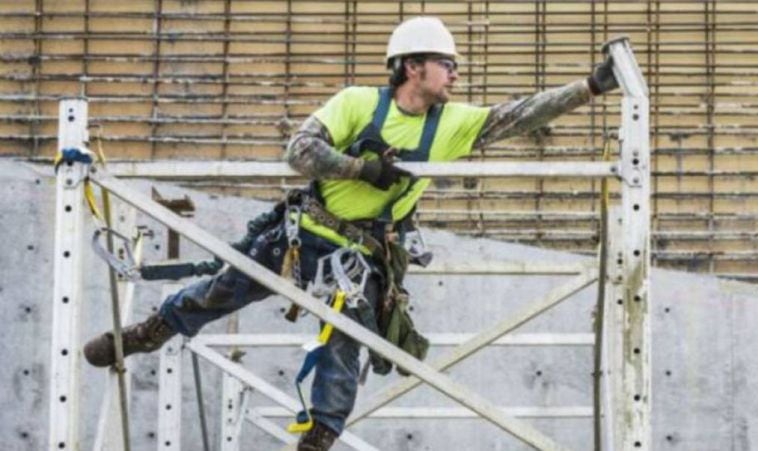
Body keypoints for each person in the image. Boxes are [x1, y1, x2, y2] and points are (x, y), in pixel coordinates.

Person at [82, 16, 620, 451]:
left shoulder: (451, 124)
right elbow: (300, 152)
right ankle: (152, 331)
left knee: (347, 340)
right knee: (227, 287)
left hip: (360, 256)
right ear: (412, 67)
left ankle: (319, 438)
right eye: (445, 64)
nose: (455, 74)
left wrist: (592, 86)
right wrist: (361, 169)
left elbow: (522, 115)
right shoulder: (358, 103)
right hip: (305, 235)